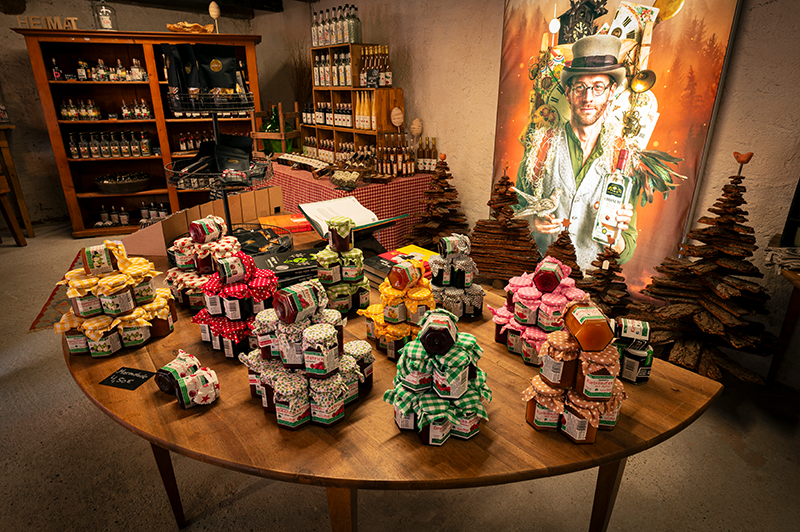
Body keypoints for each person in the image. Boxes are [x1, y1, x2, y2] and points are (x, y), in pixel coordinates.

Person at [515, 34, 636, 271]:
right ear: (569, 92)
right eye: (580, 87)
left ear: (611, 91)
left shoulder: (622, 157)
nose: (588, 97)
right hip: (540, 279)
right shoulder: (541, 145)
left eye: (598, 87)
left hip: (591, 284)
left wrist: (615, 236)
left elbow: (627, 250)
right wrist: (532, 221)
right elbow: (512, 211)